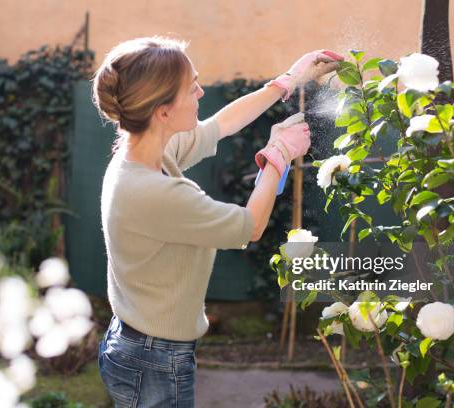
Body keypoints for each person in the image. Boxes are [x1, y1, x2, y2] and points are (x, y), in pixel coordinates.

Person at [92, 36, 343, 407]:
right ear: (162, 111)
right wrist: (278, 155)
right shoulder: (152, 191)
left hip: (136, 346)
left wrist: (288, 79)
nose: (201, 91)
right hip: (156, 360)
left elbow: (221, 124)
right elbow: (249, 226)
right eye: (191, 87)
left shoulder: (145, 151)